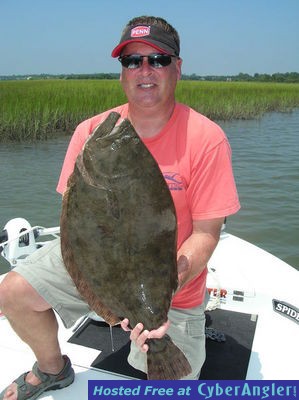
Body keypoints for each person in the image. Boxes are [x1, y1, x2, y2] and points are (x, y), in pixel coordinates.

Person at [0, 15, 240, 399]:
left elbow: (206, 233)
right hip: (99, 265)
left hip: (169, 288)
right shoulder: (91, 131)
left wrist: (165, 288)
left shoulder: (207, 138)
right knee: (11, 291)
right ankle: (52, 369)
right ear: (122, 72)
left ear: (177, 67)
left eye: (158, 60)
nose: (145, 70)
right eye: (132, 61)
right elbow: (78, 221)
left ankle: (155, 339)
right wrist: (104, 289)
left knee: (173, 386)